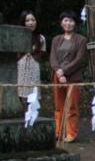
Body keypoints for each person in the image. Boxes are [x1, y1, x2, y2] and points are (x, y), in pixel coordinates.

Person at [50, 11, 88, 143]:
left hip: (73, 77)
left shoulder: (81, 40)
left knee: (72, 105)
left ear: (75, 23)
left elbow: (80, 60)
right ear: (61, 23)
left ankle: (71, 132)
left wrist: (64, 71)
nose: (68, 23)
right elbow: (53, 58)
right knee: (58, 105)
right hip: (57, 76)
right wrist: (58, 72)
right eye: (65, 20)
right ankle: (58, 131)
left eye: (71, 21)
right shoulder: (56, 39)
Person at [16, 10, 46, 102]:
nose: (30, 23)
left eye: (33, 20)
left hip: (34, 67)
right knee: (20, 91)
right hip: (20, 67)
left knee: (33, 93)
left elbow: (42, 51)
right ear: (23, 22)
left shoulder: (41, 37)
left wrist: (34, 57)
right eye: (27, 20)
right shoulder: (17, 36)